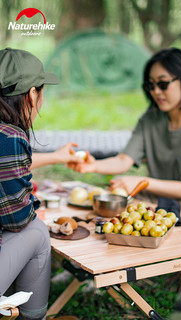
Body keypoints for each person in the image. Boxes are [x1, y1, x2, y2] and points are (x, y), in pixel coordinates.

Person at [69, 48, 181, 218]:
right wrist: (94, 165)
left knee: (127, 210)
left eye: (163, 84)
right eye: (151, 85)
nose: (156, 91)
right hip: (161, 199)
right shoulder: (150, 119)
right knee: (113, 200)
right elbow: (124, 160)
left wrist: (142, 182)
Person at [0, 48, 78, 320]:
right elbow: (17, 218)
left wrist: (56, 156)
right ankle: (33, 317)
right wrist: (34, 208)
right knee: (37, 231)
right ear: (32, 94)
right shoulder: (8, 136)